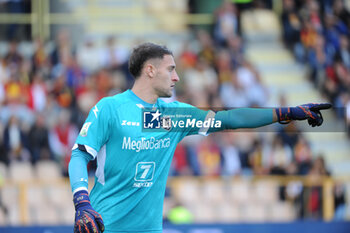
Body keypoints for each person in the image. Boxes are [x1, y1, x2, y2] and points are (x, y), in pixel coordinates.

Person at [69, 42, 331, 233]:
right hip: (104, 227)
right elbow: (80, 154)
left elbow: (229, 119)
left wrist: (284, 113)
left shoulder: (175, 115)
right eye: (170, 69)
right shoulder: (109, 108)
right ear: (150, 70)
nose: (176, 77)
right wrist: (82, 201)